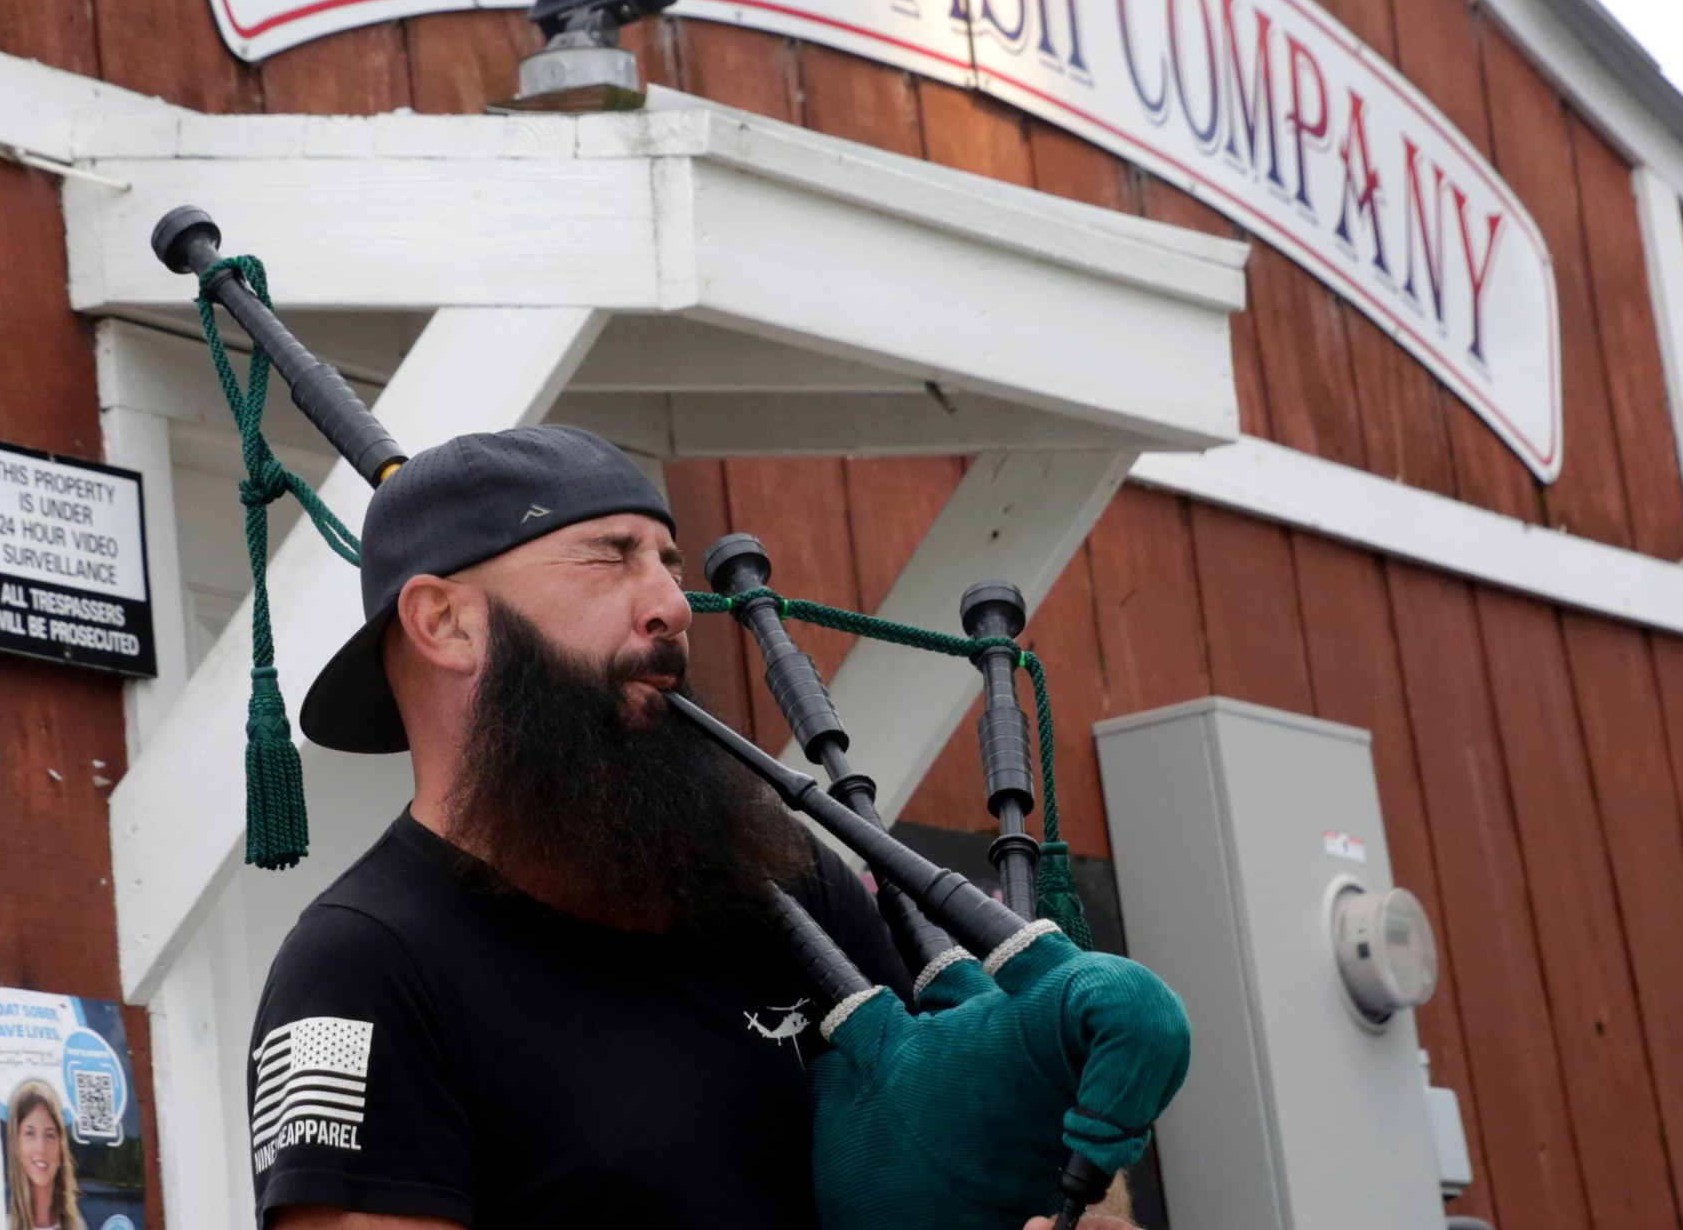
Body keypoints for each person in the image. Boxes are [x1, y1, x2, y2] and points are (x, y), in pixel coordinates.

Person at [250, 425, 1138, 1230]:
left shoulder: (789, 882)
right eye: (610, 557)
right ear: (445, 622)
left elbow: (1011, 1133)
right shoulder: (361, 968)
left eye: (668, 562)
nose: (673, 604)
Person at [5, 1079, 86, 1230]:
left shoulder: (76, 1225)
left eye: (49, 1135)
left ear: (60, 1147)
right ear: (16, 1143)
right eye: (30, 1133)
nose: (41, 1148)